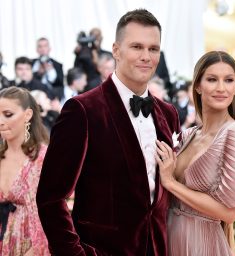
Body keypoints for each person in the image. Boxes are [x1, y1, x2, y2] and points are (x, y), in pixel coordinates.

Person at [36, 9, 180, 256]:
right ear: (115, 50)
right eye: (136, 46)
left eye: (153, 49)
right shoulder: (82, 110)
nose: (146, 56)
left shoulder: (168, 114)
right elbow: (51, 199)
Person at [155, 51, 235, 256]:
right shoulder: (189, 135)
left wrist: (171, 183)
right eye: (212, 79)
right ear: (197, 86)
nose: (221, 88)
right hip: (170, 237)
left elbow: (229, 213)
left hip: (202, 243)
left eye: (228, 80)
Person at [0, 87, 49, 255]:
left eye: (7, 115)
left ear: (27, 115)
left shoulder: (41, 158)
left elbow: (51, 215)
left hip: (31, 244)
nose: (0, 121)